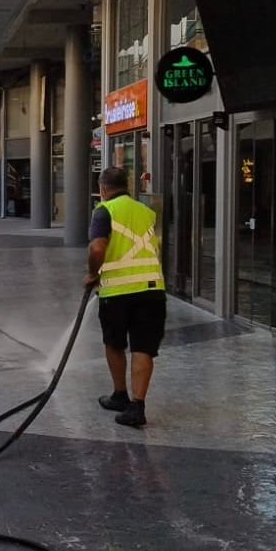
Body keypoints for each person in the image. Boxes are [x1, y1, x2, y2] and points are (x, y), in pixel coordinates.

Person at [84, 166, 166, 429]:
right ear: (127, 186)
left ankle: (120, 395)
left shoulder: (104, 211)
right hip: (152, 290)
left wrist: (92, 273)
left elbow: (97, 247)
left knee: (114, 343)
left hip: (117, 293)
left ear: (102, 189)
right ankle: (137, 406)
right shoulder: (147, 212)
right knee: (143, 347)